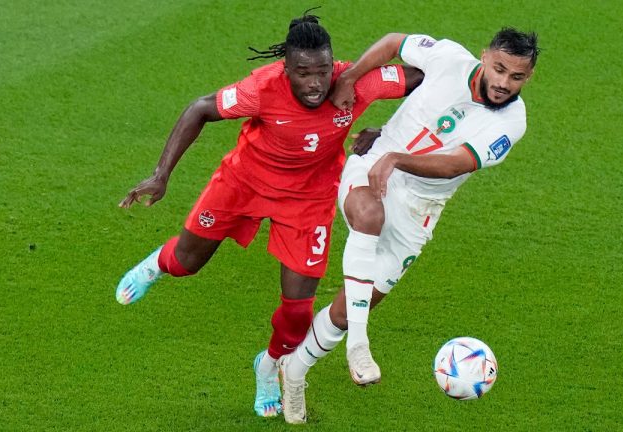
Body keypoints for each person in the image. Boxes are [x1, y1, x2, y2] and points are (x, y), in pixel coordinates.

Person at [113, 11, 423, 420]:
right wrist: (161, 174)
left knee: (297, 315)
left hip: (308, 199)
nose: (315, 83)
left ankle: (268, 366)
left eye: (323, 71)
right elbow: (200, 108)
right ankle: (157, 264)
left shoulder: (355, 82)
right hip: (244, 183)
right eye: (303, 73)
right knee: (186, 262)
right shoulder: (261, 89)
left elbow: (427, 78)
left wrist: (385, 131)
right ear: (285, 69)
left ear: (333, 65)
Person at [279, 28, 540, 423]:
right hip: (372, 165)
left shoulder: (512, 122)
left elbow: (455, 164)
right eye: (500, 69)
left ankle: (294, 370)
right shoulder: (448, 57)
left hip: (419, 209)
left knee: (349, 309)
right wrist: (350, 77)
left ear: (529, 76)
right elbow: (392, 42)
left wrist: (398, 159)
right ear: (484, 57)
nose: (504, 83)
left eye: (516, 77)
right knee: (369, 216)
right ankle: (359, 344)